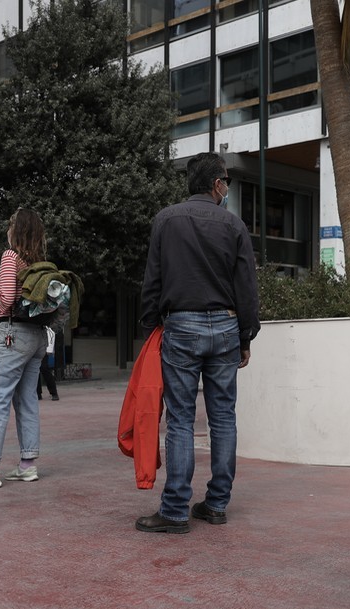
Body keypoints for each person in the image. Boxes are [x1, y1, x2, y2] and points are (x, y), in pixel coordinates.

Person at [135, 152, 260, 533]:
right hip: (226, 326)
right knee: (223, 417)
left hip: (181, 326)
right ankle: (217, 504)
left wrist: (151, 326)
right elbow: (246, 286)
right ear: (217, 184)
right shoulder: (234, 225)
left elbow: (153, 279)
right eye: (227, 182)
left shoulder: (166, 220)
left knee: (181, 420)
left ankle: (175, 511)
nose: (227, 188)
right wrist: (245, 336)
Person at [0, 208, 75, 494]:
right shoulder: (39, 263)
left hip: (13, 335)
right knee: (27, 400)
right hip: (37, 337)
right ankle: (27, 464)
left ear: (15, 231)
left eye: (10, 226)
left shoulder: (11, 256)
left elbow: (7, 299)